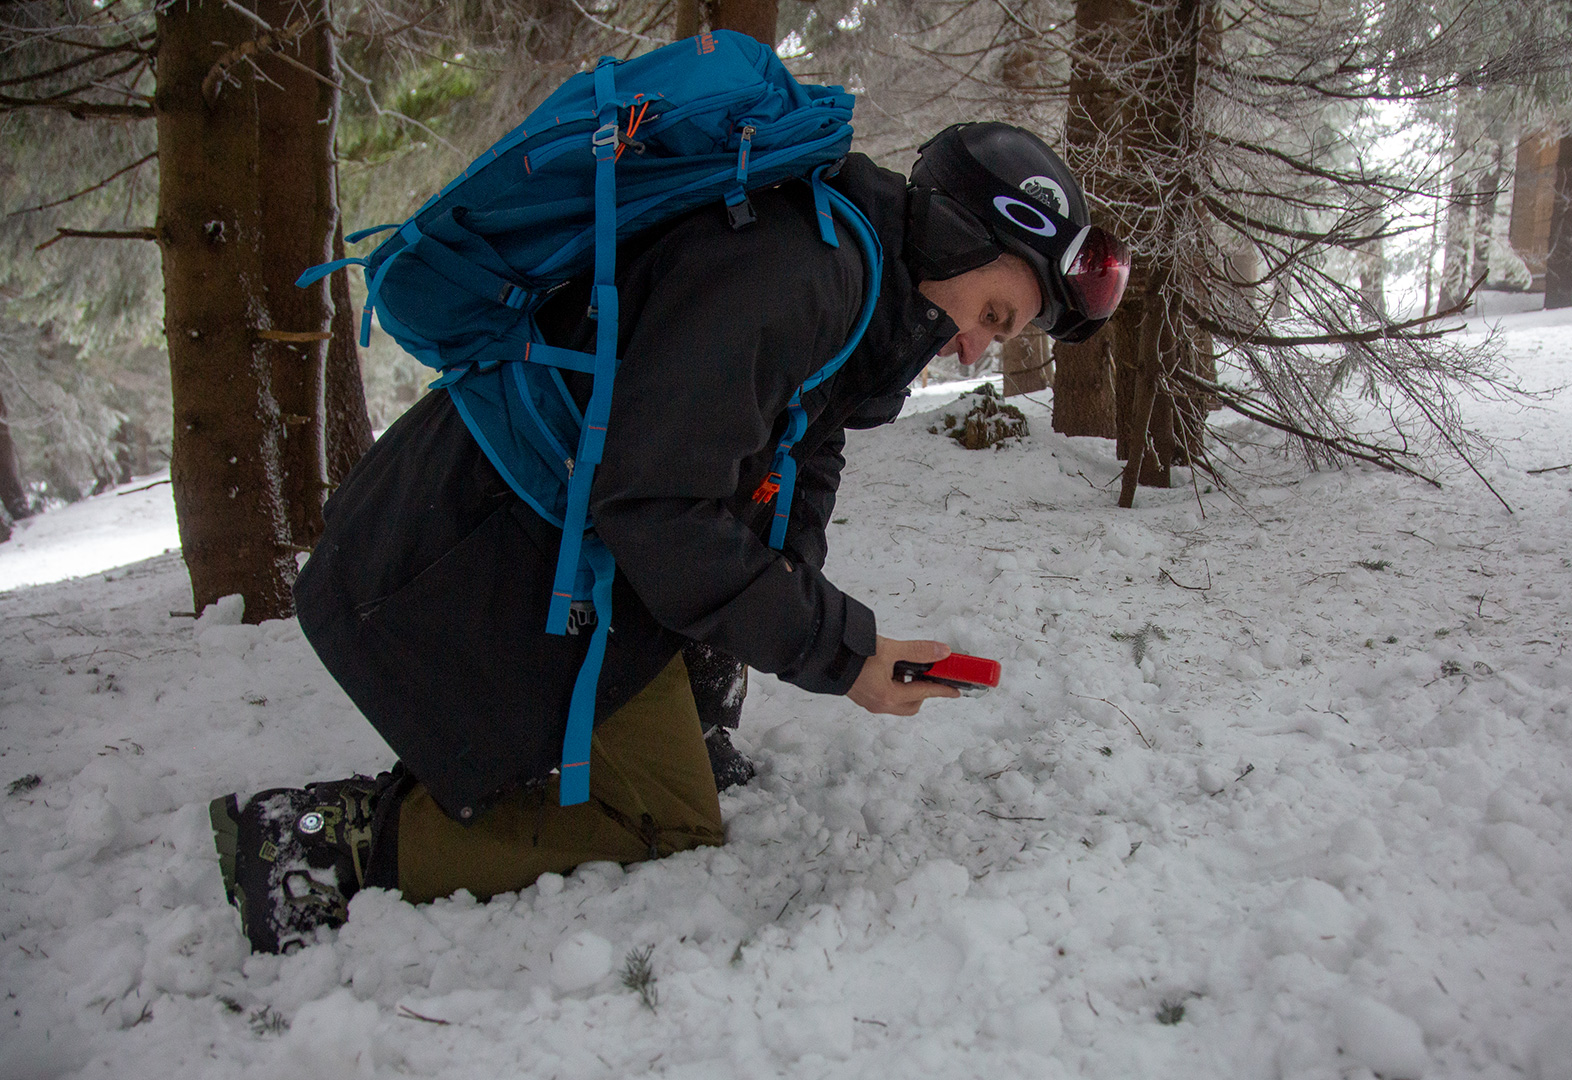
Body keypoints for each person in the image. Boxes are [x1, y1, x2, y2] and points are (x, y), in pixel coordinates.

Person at [209, 121, 1129, 954]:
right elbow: (655, 509)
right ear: (959, 237)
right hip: (471, 549)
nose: (975, 346)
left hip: (546, 535)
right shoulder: (805, 273)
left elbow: (807, 437)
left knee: (702, 670)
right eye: (994, 315)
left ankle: (648, 725)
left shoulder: (850, 274)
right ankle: (330, 844)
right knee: (664, 818)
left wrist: (785, 580)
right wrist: (841, 651)